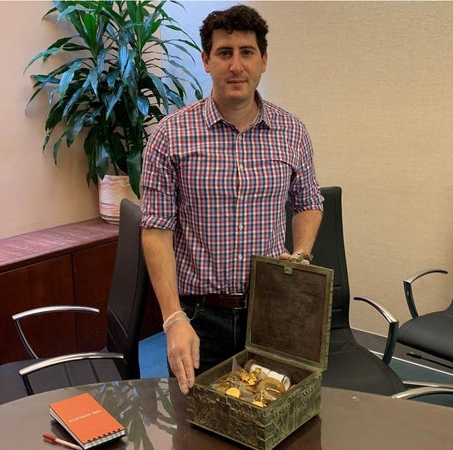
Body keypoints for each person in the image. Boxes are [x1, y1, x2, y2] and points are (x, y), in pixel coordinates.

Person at [139, 4, 323, 395]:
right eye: (224, 53)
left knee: (271, 416)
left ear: (264, 60)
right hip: (199, 316)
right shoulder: (169, 137)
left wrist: (302, 254)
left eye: (247, 52)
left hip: (270, 310)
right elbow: (156, 230)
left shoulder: (292, 132)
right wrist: (172, 318)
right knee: (195, 425)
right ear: (206, 61)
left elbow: (308, 201)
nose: (236, 65)